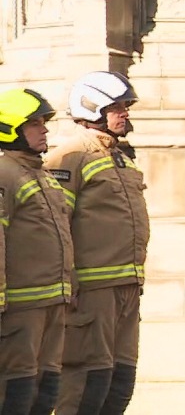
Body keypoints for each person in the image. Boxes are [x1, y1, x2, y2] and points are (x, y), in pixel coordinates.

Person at [44, 72, 146, 415]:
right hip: (90, 293)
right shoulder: (69, 158)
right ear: (93, 108)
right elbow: (55, 225)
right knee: (86, 385)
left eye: (125, 107)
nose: (125, 114)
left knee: (119, 386)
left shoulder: (118, 157)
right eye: (117, 107)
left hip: (127, 290)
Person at [0, 89, 73, 415]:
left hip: (52, 303)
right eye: (35, 124)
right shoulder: (5, 174)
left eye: (44, 122)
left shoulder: (41, 174)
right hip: (20, 308)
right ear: (11, 129)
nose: (44, 129)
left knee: (45, 393)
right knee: (16, 391)